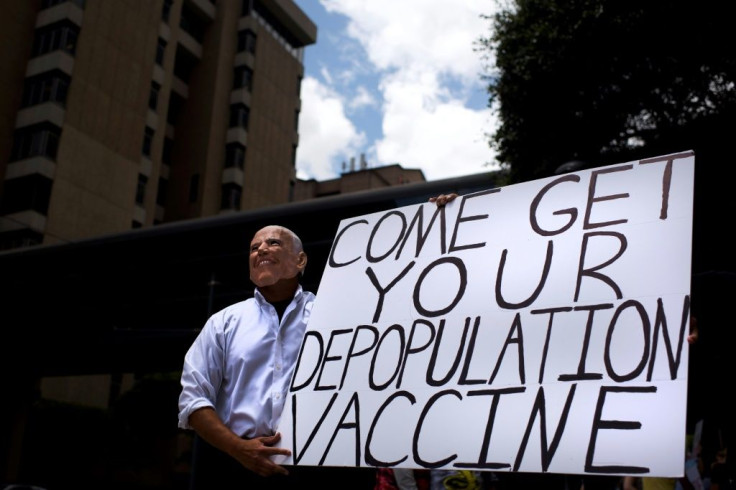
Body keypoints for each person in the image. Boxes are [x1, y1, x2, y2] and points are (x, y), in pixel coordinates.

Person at [177, 224, 374, 489]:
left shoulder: (337, 315)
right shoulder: (223, 323)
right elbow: (193, 399)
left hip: (325, 470)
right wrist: (238, 448)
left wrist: (441, 216)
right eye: (254, 248)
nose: (261, 250)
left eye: (273, 243)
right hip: (240, 468)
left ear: (300, 260)